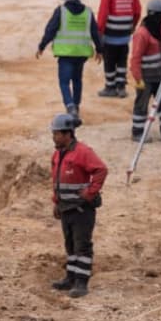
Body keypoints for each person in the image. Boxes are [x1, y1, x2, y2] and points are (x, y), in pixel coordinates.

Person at [48, 113, 107, 299]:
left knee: (82, 246)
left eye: (57, 134)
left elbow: (101, 170)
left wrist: (90, 192)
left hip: (82, 209)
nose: (54, 137)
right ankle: (70, 278)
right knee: (70, 245)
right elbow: (56, 181)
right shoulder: (57, 155)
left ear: (68, 134)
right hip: (66, 208)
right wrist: (56, 202)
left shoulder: (83, 152)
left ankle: (82, 282)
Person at [36, 0, 103, 122]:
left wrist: (42, 46)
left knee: (64, 81)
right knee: (77, 80)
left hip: (65, 54)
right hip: (81, 54)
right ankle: (76, 106)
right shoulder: (88, 12)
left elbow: (50, 30)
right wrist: (99, 50)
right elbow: (95, 32)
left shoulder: (61, 11)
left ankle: (70, 106)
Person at [129, 0, 161, 144]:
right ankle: (138, 132)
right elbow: (135, 58)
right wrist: (138, 79)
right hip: (146, 78)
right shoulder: (142, 34)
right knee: (141, 106)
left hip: (160, 76)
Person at [96, 0, 140, 99]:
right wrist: (132, 26)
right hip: (125, 34)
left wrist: (99, 31)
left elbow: (103, 13)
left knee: (109, 60)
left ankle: (110, 87)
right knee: (122, 59)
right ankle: (121, 87)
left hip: (110, 33)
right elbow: (137, 10)